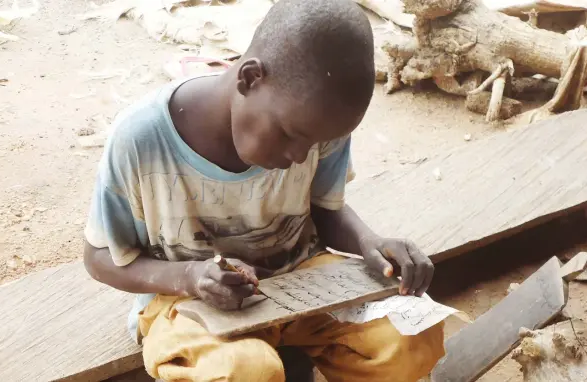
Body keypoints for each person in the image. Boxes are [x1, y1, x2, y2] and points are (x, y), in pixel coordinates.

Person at [83, 0, 445, 380]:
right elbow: (99, 257)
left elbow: (324, 210)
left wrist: (371, 242)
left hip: (301, 280)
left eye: (314, 144)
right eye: (290, 136)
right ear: (250, 78)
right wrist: (189, 275)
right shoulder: (141, 140)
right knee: (244, 370)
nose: (298, 156)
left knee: (413, 336)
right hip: (187, 300)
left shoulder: (316, 123)